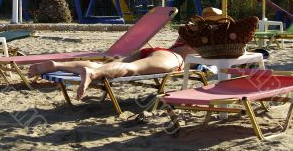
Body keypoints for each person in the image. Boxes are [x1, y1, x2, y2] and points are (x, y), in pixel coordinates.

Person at [28, 36, 197, 101]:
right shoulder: (205, 39)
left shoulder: (187, 32)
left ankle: (58, 65)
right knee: (130, 68)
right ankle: (92, 73)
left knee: (106, 65)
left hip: (157, 50)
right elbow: (200, 62)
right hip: (172, 58)